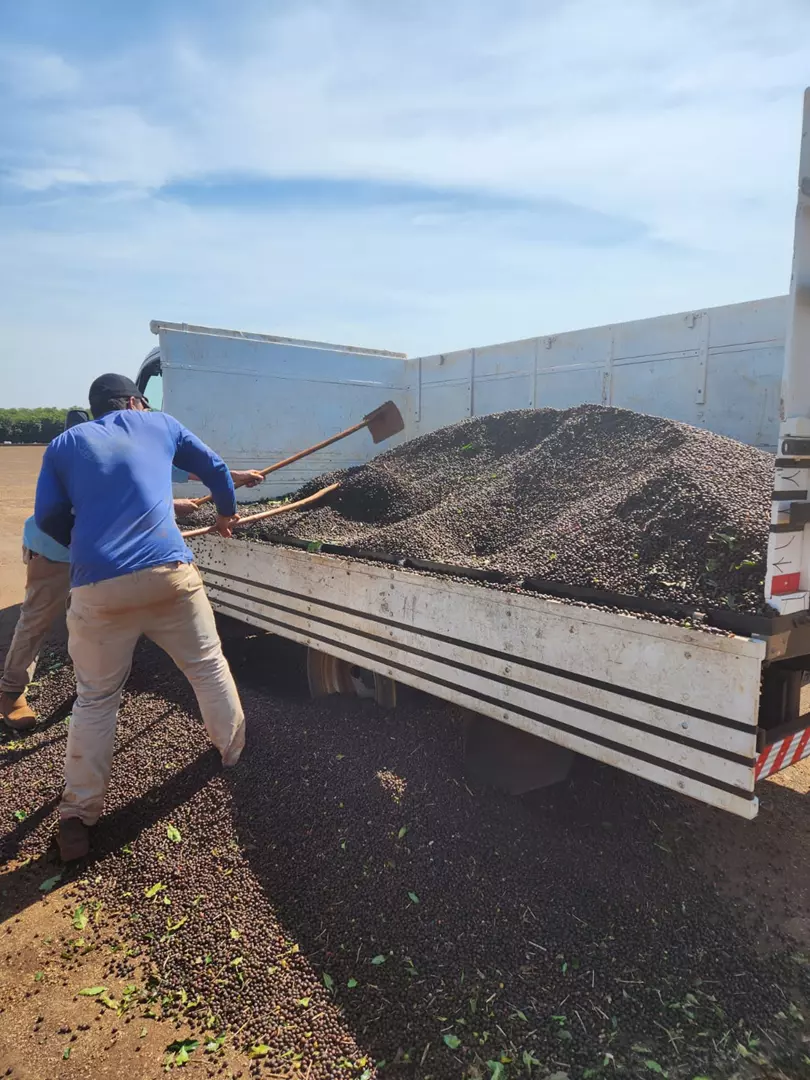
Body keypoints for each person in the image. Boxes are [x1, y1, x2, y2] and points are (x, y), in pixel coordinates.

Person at [34, 373, 249, 861]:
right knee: (207, 665)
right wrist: (225, 515)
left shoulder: (65, 444)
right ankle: (234, 751)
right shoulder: (159, 424)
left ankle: (77, 817)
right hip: (169, 574)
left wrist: (88, 546)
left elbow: (48, 516)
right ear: (134, 401)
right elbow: (216, 469)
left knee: (95, 699)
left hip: (97, 587)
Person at [0, 419, 263, 731]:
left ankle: (100, 678)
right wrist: (172, 505)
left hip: (105, 560)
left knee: (109, 616)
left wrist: (237, 478)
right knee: (37, 619)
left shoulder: (139, 449)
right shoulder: (74, 461)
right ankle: (11, 691)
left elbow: (193, 470)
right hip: (54, 549)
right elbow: (73, 510)